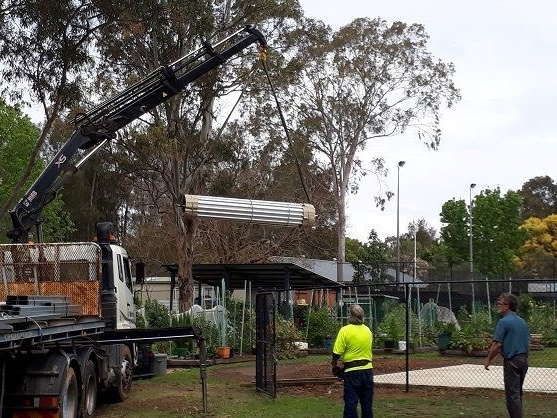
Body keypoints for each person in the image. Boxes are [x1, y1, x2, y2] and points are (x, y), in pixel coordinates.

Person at [484, 293, 530, 418]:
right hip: (524, 360)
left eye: (500, 303)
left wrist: (488, 360)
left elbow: (497, 345)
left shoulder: (503, 322)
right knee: (517, 393)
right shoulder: (522, 322)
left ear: (507, 306)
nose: (498, 305)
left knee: (512, 395)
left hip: (512, 361)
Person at [332, 304, 373, 418]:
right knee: (367, 404)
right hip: (368, 370)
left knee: (351, 403)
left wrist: (334, 366)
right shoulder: (367, 331)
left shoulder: (345, 330)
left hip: (352, 372)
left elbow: (336, 353)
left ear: (350, 316)